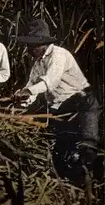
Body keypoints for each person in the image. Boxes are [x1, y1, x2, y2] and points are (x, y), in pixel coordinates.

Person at [13, 19, 101, 184]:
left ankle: (93, 191)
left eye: (32, 45)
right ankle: (70, 187)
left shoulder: (59, 55)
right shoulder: (38, 64)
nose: (29, 49)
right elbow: (31, 88)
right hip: (61, 108)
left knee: (86, 149)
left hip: (82, 104)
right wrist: (21, 99)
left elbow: (50, 81)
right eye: (28, 45)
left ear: (44, 43)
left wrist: (28, 91)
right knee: (61, 154)